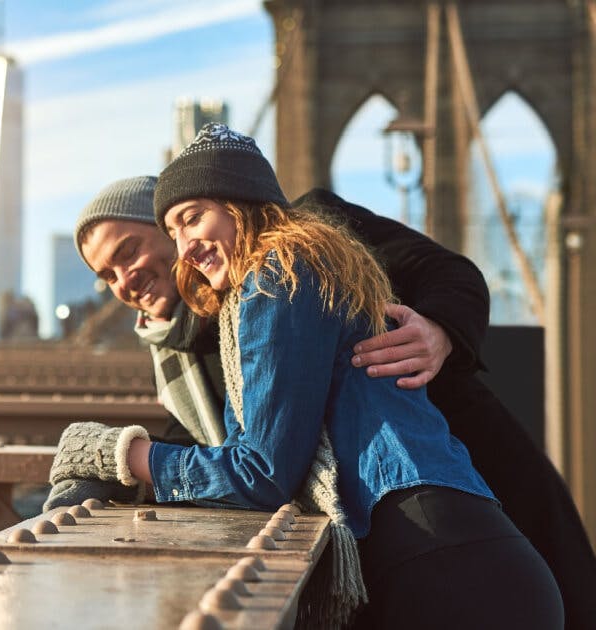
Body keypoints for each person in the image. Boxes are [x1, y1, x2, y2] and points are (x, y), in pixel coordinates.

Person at [48, 123, 569, 628]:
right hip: (442, 551)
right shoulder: (252, 296)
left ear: (238, 201)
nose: (182, 248)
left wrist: (119, 455)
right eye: (106, 275)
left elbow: (260, 471)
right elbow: (224, 446)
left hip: (444, 554)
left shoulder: (278, 274)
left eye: (191, 218)